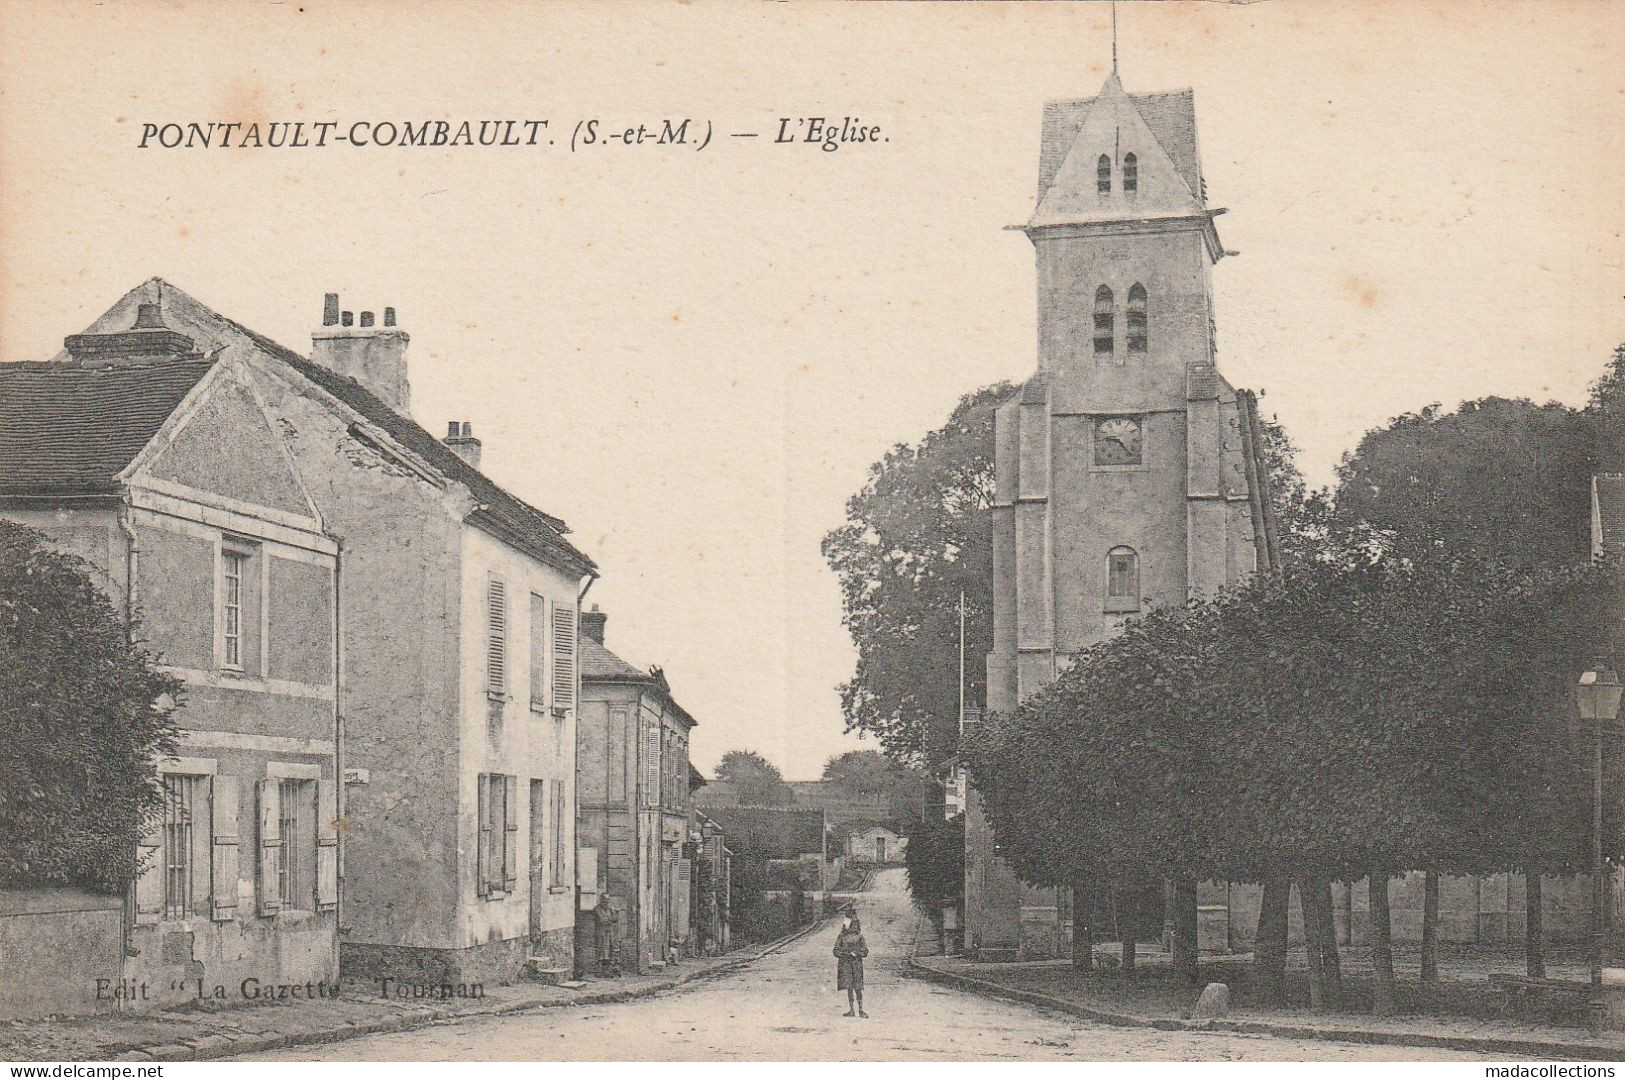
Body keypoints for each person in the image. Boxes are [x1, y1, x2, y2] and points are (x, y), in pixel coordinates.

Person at [834, 912, 869, 1017]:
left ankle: (860, 1010)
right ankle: (852, 1009)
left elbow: (865, 951)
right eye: (850, 924)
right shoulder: (841, 937)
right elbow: (835, 950)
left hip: (856, 964)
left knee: (858, 987)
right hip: (845, 965)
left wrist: (857, 953)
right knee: (849, 986)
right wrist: (845, 954)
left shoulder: (859, 937)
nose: (852, 926)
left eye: (854, 924)